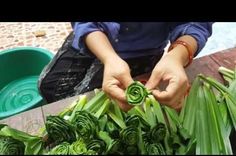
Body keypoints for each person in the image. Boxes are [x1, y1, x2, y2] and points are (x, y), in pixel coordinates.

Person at [38, 22, 213, 111]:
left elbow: (196, 24)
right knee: (48, 85)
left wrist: (176, 57)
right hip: (92, 36)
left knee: (100, 103)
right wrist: (108, 57)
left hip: (141, 50)